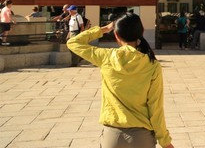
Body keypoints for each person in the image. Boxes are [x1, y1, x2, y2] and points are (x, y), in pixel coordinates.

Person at [67, 13, 174, 148]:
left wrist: (104, 29)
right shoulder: (152, 65)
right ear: (141, 32)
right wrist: (165, 141)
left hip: (113, 137)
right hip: (142, 137)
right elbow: (156, 109)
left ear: (116, 35)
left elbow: (73, 42)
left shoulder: (106, 57)